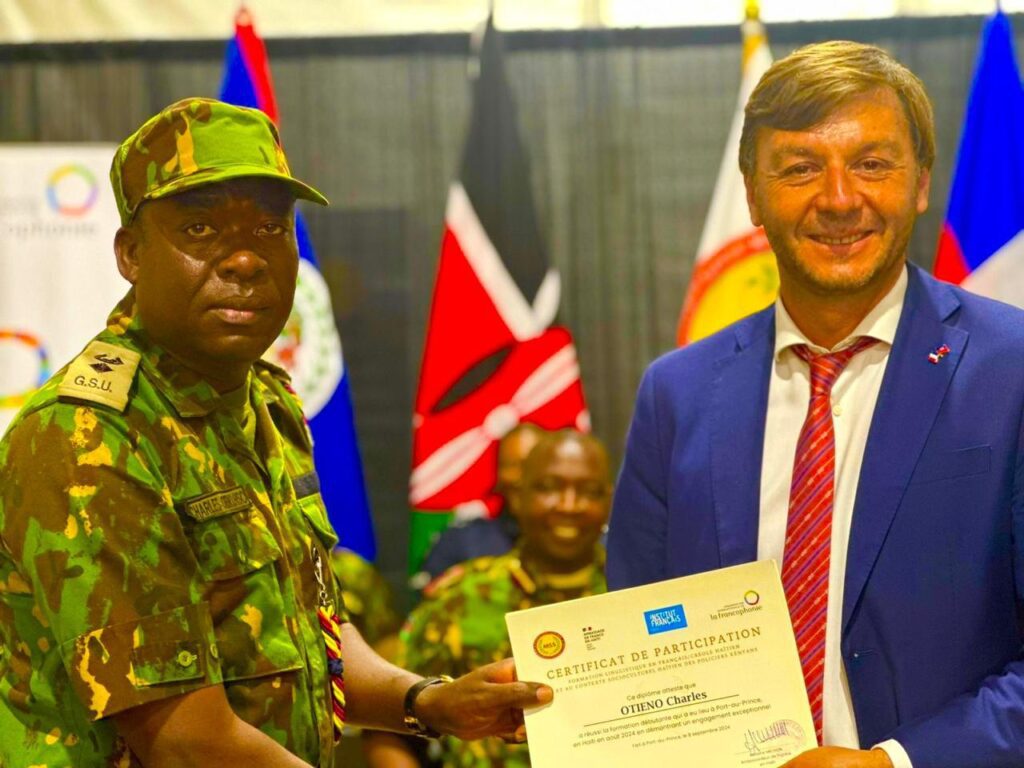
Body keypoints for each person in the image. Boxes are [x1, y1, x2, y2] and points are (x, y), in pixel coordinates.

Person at [0, 98, 550, 768]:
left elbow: (309, 629)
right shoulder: (88, 436)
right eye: (200, 229)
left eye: (268, 228)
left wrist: (427, 703)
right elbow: (183, 740)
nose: (245, 260)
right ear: (131, 254)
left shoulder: (266, 400)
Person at [607, 41, 1024, 768]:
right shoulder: (674, 393)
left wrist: (894, 763)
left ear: (922, 182)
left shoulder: (1013, 369)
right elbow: (644, 646)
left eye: (872, 163)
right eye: (800, 168)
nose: (838, 197)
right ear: (753, 195)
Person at [396, 429, 612, 767]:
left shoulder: (634, 589)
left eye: (589, 491)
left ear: (609, 501)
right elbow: (394, 719)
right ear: (518, 497)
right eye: (549, 488)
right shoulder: (461, 597)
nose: (570, 505)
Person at [415, 423, 544, 588]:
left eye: (531, 466)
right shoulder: (462, 541)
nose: (520, 477)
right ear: (497, 472)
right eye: (511, 465)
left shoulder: (578, 543)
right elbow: (426, 606)